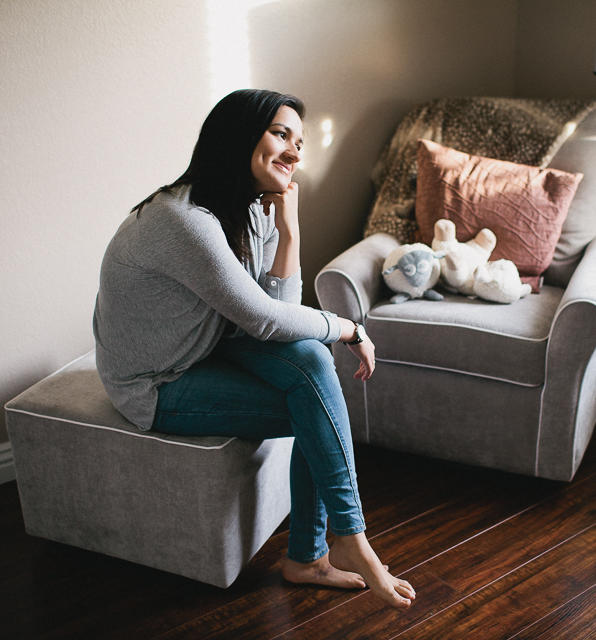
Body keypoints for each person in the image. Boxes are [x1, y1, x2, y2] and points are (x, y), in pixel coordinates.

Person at [93, 89, 415, 609]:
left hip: (212, 344)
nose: (295, 153)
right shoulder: (183, 220)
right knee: (315, 395)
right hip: (156, 381)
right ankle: (343, 544)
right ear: (239, 138)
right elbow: (266, 320)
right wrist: (349, 327)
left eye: (299, 142)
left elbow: (279, 316)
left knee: (313, 363)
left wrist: (288, 229)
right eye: (280, 135)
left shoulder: (253, 206)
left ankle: (316, 554)